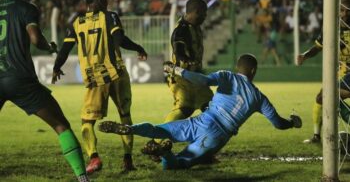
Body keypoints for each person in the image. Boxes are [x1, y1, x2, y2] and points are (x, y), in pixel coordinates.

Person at [98, 54, 302, 170]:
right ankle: (165, 152)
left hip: (202, 121)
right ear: (254, 71)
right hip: (217, 136)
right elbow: (278, 123)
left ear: (238, 67)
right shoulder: (259, 97)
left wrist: (177, 70)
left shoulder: (227, 76)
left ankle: (129, 128)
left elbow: (203, 80)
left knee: (157, 130)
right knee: (180, 164)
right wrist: (293, 122)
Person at [0, 0, 89, 182]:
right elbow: (35, 39)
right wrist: (49, 46)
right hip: (20, 79)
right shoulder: (26, 8)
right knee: (60, 125)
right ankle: (83, 178)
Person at [52, 0, 147, 174]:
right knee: (125, 115)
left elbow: (65, 49)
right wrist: (138, 48)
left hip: (96, 77)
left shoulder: (77, 23)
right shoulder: (109, 16)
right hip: (117, 73)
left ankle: (94, 158)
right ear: (97, 1)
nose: (107, 2)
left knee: (87, 121)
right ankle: (128, 159)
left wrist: (56, 67)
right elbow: (119, 39)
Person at [143, 0, 214, 161]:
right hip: (181, 78)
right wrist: (185, 59)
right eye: (203, 14)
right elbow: (178, 47)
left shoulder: (195, 27)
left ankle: (203, 149)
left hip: (195, 78)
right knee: (188, 109)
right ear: (195, 12)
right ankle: (156, 142)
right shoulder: (181, 29)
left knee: (211, 110)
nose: (205, 17)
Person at [298, 0, 350, 144]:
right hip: (342, 70)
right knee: (322, 98)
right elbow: (318, 47)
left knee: (330, 97)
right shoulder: (331, 27)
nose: (344, 14)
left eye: (348, 11)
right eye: (342, 10)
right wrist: (305, 55)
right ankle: (316, 135)